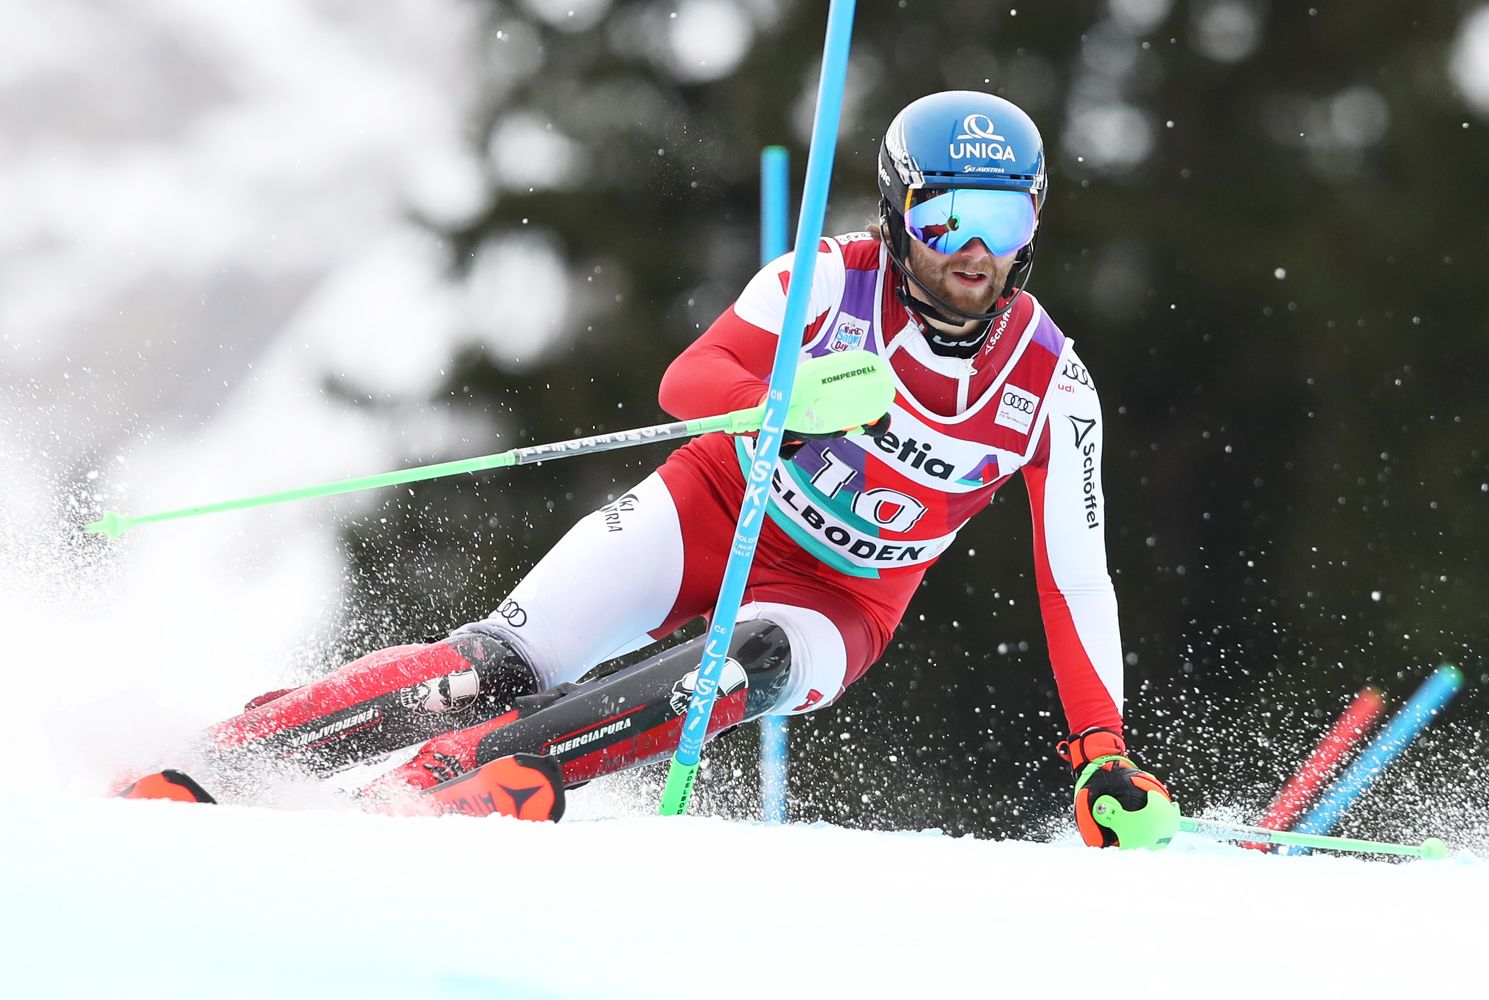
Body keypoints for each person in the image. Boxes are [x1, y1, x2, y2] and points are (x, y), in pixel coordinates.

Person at [128, 91, 1172, 847]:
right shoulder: (825, 281)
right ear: (901, 214)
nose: (972, 252)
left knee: (737, 662)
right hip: (712, 507)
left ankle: (455, 786)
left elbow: (1075, 575)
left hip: (843, 600)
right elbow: (690, 379)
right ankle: (220, 761)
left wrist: (1099, 749)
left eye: (1003, 221)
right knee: (490, 665)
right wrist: (783, 398)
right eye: (947, 217)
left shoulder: (1054, 385)